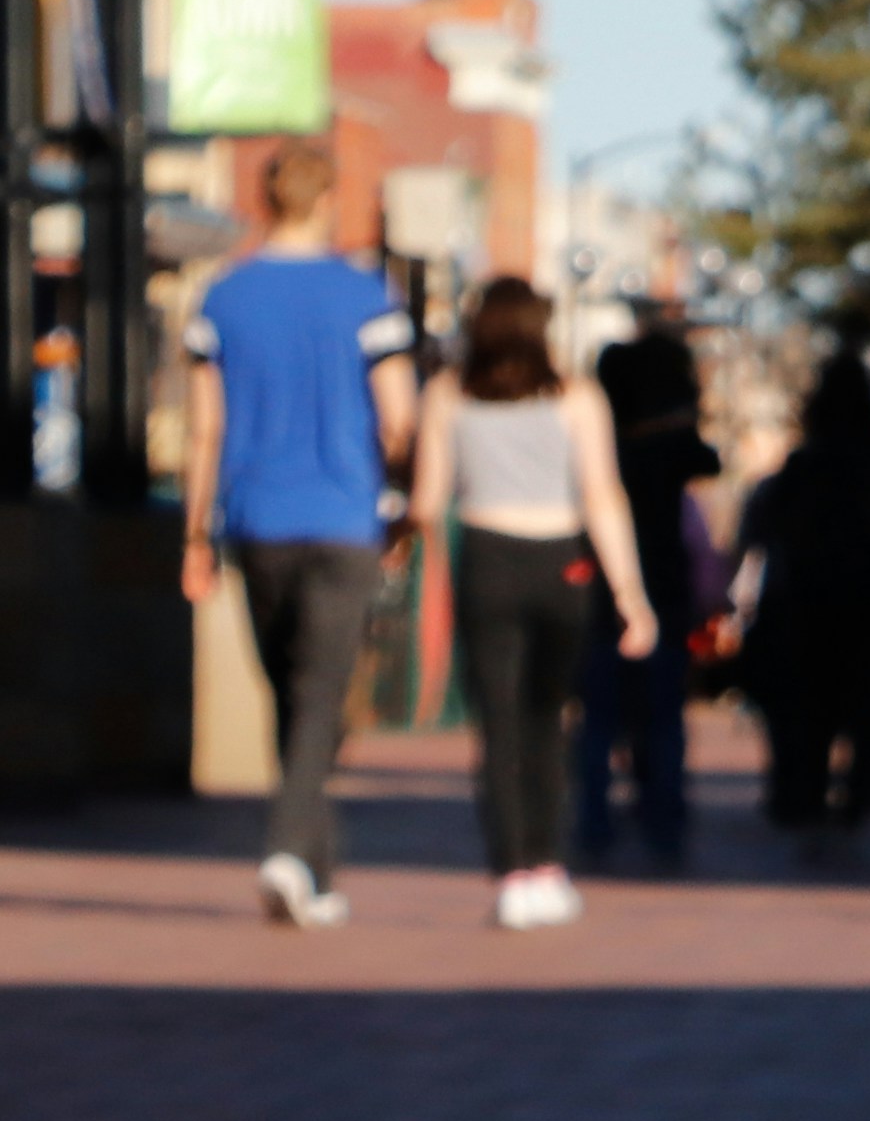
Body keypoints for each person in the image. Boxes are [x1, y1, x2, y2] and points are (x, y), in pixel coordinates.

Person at [178, 145, 418, 929]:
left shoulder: (223, 296)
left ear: (263, 198)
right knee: (319, 690)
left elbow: (204, 426)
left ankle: (315, 870)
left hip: (257, 518)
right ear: (328, 200)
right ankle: (289, 850)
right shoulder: (364, 294)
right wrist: (401, 500)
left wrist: (195, 533)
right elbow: (398, 415)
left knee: (290, 686)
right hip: (344, 515)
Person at [408, 278, 664, 930]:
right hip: (562, 563)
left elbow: (427, 502)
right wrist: (630, 593)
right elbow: (603, 493)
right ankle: (547, 864)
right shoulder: (576, 394)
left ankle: (510, 872)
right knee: (546, 721)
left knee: (496, 725)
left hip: (487, 559)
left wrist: (398, 535)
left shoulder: (446, 393)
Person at [739, 356, 870, 829]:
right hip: (867, 594)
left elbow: (771, 528)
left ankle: (808, 793)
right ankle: (859, 792)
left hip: (807, 596)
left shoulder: (804, 463)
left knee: (811, 703)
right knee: (866, 699)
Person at [572, 321, 720, 871]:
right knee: (660, 717)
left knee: (598, 715)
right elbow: (706, 458)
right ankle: (663, 820)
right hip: (661, 589)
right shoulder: (671, 449)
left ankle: (594, 821)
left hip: (595, 590)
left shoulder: (604, 444)